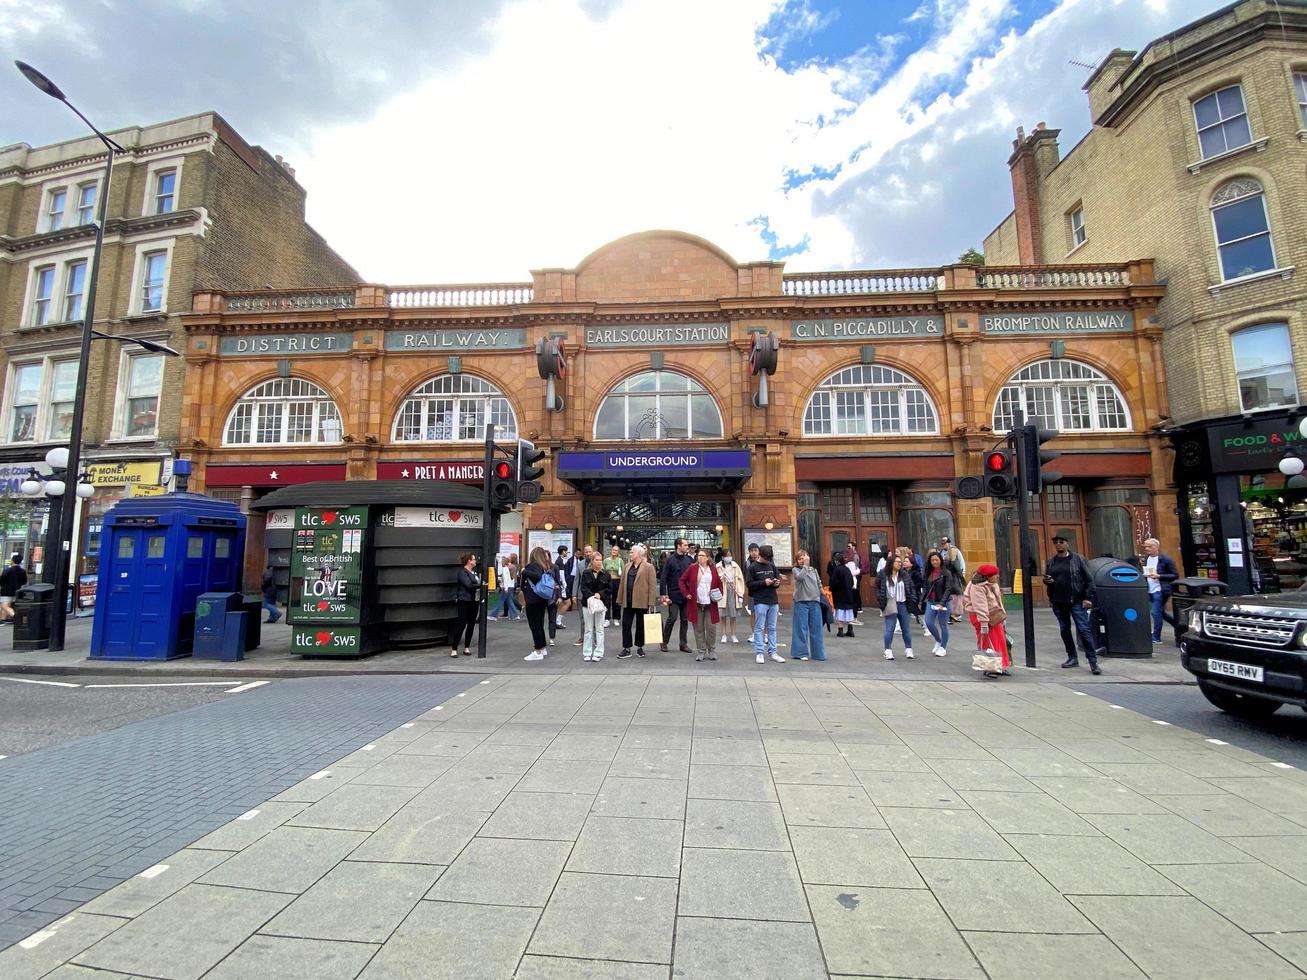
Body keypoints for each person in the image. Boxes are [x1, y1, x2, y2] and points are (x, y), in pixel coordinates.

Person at [1043, 535, 1101, 674]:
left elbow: (1089, 580)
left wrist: (1088, 598)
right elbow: (1049, 578)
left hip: (1076, 600)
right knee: (1064, 629)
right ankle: (1072, 657)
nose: (1058, 545)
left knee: (1083, 629)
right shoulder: (1052, 561)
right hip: (1058, 601)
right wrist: (1048, 581)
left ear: (1067, 544)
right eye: (1055, 543)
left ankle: (1093, 661)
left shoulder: (1078, 559)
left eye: (1061, 542)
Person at [962, 564, 1010, 677]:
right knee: (988, 641)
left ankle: (999, 665)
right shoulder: (977, 586)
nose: (997, 576)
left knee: (999, 640)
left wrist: (1002, 615)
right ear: (988, 576)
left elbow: (998, 601)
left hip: (993, 615)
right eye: (995, 574)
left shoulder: (992, 583)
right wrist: (984, 623)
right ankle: (989, 667)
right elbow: (980, 605)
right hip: (981, 617)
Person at [678, 547, 723, 662]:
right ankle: (701, 651)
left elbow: (719, 583)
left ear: (708, 558)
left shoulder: (712, 569)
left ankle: (712, 650)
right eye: (699, 555)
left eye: (703, 555)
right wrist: (686, 593)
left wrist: (719, 594)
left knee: (711, 628)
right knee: (698, 629)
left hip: (710, 603)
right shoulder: (692, 568)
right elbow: (681, 581)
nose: (700, 557)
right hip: (696, 603)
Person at [876, 554, 920, 660]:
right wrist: (881, 599)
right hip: (890, 603)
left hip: (903, 603)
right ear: (891, 563)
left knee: (906, 628)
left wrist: (913, 598)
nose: (900, 564)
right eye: (897, 562)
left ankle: (908, 649)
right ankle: (888, 650)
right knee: (889, 628)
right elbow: (877, 587)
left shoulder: (904, 574)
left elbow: (911, 587)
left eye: (901, 562)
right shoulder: (883, 574)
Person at [618, 544, 658, 659]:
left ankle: (640, 647)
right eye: (630, 552)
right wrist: (620, 598)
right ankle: (626, 648)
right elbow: (622, 584)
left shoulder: (648, 567)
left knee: (640, 625)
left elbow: (652, 586)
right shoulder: (627, 566)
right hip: (628, 600)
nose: (630, 554)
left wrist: (651, 602)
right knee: (626, 624)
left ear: (639, 554)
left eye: (632, 552)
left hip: (642, 601)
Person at [748, 544, 786, 664]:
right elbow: (749, 584)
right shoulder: (753, 567)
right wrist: (764, 582)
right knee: (759, 628)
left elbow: (776, 579)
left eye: (769, 558)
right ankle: (759, 652)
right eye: (766, 558)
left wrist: (776, 583)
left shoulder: (771, 565)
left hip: (773, 600)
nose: (767, 561)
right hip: (760, 600)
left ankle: (773, 652)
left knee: (772, 628)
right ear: (760, 555)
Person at [922, 549, 961, 657]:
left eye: (936, 560)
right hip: (931, 601)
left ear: (940, 560)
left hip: (943, 602)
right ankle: (938, 641)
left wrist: (942, 603)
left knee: (943, 625)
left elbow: (948, 589)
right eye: (932, 560)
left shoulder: (946, 573)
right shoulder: (928, 572)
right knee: (929, 623)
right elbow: (926, 587)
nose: (935, 562)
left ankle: (943, 647)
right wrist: (921, 600)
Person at [659, 537, 694, 653]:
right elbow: (663, 577)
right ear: (678, 546)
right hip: (673, 595)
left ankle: (683, 644)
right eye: (685, 545)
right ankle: (664, 641)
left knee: (684, 619)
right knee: (672, 618)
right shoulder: (670, 560)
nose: (687, 547)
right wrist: (663, 594)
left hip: (686, 595)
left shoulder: (689, 560)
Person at [790, 550, 826, 662]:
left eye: (804, 558)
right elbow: (800, 577)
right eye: (800, 558)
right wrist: (805, 566)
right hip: (801, 602)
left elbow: (819, 583)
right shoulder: (796, 570)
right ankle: (800, 652)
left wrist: (823, 596)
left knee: (817, 628)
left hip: (815, 601)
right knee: (801, 628)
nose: (802, 560)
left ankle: (818, 653)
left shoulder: (814, 570)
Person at [521, 547, 556, 661]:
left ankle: (538, 651)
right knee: (539, 625)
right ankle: (542, 648)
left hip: (533, 600)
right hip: (541, 599)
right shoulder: (543, 566)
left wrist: (523, 571)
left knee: (535, 626)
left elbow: (536, 577)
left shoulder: (533, 566)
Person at [1142, 537, 1179, 644]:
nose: (1147, 549)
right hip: (1150, 589)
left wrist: (1159, 576)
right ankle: (1178, 625)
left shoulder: (1165, 559)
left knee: (1155, 612)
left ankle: (1156, 637)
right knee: (1160, 612)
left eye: (1150, 546)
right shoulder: (1147, 558)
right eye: (1146, 546)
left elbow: (1175, 575)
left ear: (1156, 547)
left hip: (1161, 590)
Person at [580, 552, 611, 662]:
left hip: (600, 605)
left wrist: (600, 594)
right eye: (597, 560)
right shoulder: (586, 573)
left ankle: (598, 652)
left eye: (600, 559)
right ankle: (587, 652)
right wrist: (592, 596)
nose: (599, 562)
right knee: (588, 629)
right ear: (592, 561)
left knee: (599, 629)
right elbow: (583, 588)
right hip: (587, 604)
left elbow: (609, 589)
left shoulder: (606, 574)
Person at [450, 552, 481, 658]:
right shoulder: (462, 573)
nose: (475, 561)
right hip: (464, 600)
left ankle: (466, 647)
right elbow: (468, 585)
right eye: (473, 559)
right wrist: (480, 585)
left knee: (471, 624)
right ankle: (454, 648)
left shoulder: (474, 573)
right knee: (461, 624)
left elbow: (472, 585)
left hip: (474, 601)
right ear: (469, 561)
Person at [715, 549, 746, 643]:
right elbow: (715, 579)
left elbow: (740, 580)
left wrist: (740, 594)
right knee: (722, 615)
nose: (728, 557)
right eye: (726, 555)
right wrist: (721, 576)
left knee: (733, 615)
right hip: (723, 592)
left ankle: (733, 634)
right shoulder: (718, 566)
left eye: (730, 555)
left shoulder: (735, 566)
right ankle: (723, 634)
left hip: (733, 591)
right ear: (723, 557)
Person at [827, 554, 857, 638]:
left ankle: (840, 630)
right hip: (848, 594)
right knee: (849, 612)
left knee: (839, 612)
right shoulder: (847, 569)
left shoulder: (837, 569)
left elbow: (834, 582)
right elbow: (851, 581)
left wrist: (831, 588)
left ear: (837, 561)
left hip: (839, 594)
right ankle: (850, 630)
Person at [571, 544, 595, 645]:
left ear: (592, 552)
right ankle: (583, 638)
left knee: (594, 618)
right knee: (582, 618)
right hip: (581, 595)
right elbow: (577, 579)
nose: (588, 554)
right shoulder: (580, 564)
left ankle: (594, 639)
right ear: (583, 553)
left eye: (590, 552)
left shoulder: (596, 562)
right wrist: (574, 595)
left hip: (593, 594)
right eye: (586, 552)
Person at [940, 536, 966, 622]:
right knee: (953, 596)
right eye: (942, 543)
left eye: (945, 542)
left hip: (954, 578)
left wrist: (963, 575)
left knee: (955, 596)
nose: (943, 544)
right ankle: (953, 614)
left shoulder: (955, 551)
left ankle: (953, 614)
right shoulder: (941, 553)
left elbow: (961, 564)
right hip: (948, 578)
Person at [553, 545, 576, 632]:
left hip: (560, 585)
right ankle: (558, 621)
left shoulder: (559, 560)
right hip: (562, 586)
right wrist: (565, 585)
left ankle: (556, 620)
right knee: (568, 602)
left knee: (561, 603)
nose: (567, 552)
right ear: (563, 551)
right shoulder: (560, 561)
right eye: (566, 551)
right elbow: (561, 575)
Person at [602, 545, 625, 627]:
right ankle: (606, 618)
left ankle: (616, 618)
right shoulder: (606, 560)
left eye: (616, 550)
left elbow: (623, 573)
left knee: (616, 600)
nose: (614, 551)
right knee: (606, 600)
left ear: (618, 552)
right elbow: (603, 571)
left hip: (617, 581)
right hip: (607, 581)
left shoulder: (620, 561)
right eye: (613, 550)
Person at [845, 544, 864, 625]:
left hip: (848, 584)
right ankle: (853, 618)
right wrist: (859, 570)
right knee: (854, 602)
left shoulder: (846, 564)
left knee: (850, 601)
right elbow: (852, 573)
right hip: (853, 584)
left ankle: (849, 617)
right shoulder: (851, 563)